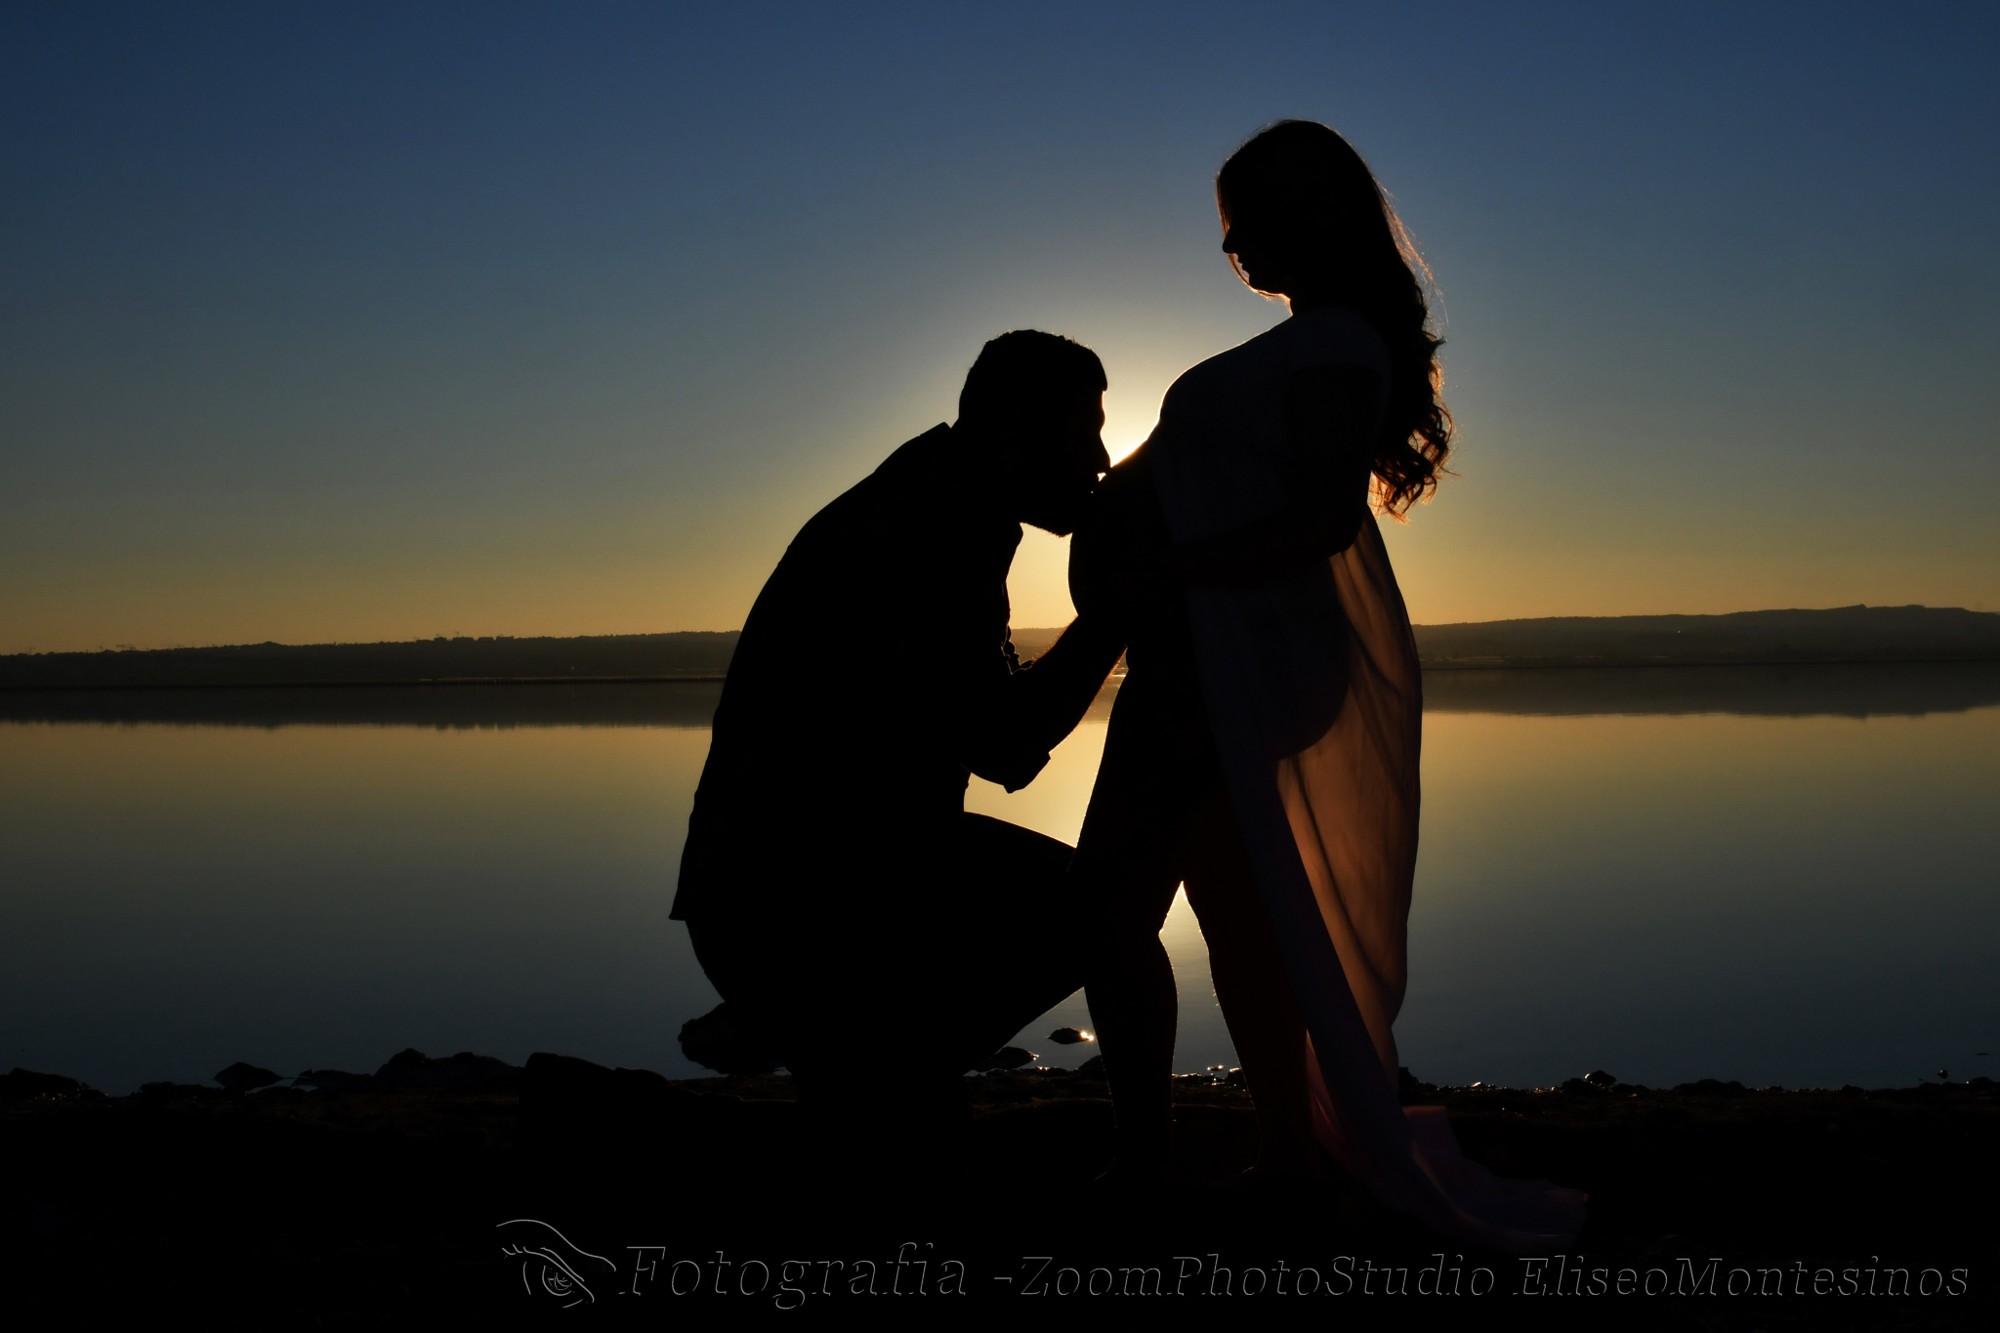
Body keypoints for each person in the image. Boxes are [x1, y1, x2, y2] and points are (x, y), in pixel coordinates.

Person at [1070, 121, 1583, 1249]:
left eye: (1244, 220)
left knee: (1110, 907)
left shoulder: (1335, 346)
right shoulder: (1308, 343)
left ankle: (1149, 1160)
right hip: (1208, 658)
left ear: (1309, 212)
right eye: (1224, 232)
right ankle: (1285, 1163)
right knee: (1237, 925)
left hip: (1226, 667)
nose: (1233, 248)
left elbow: (1316, 519)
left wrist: (1161, 569)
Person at [672, 330, 1125, 1124]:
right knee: (1102, 908)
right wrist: (1115, 613)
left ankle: (829, 1044)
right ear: (1016, 432)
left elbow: (979, 710)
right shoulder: (937, 529)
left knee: (1076, 900)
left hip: (794, 875)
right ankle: (864, 1069)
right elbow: (1005, 746)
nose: (1101, 460)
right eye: (1085, 430)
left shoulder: (931, 498)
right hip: (799, 894)